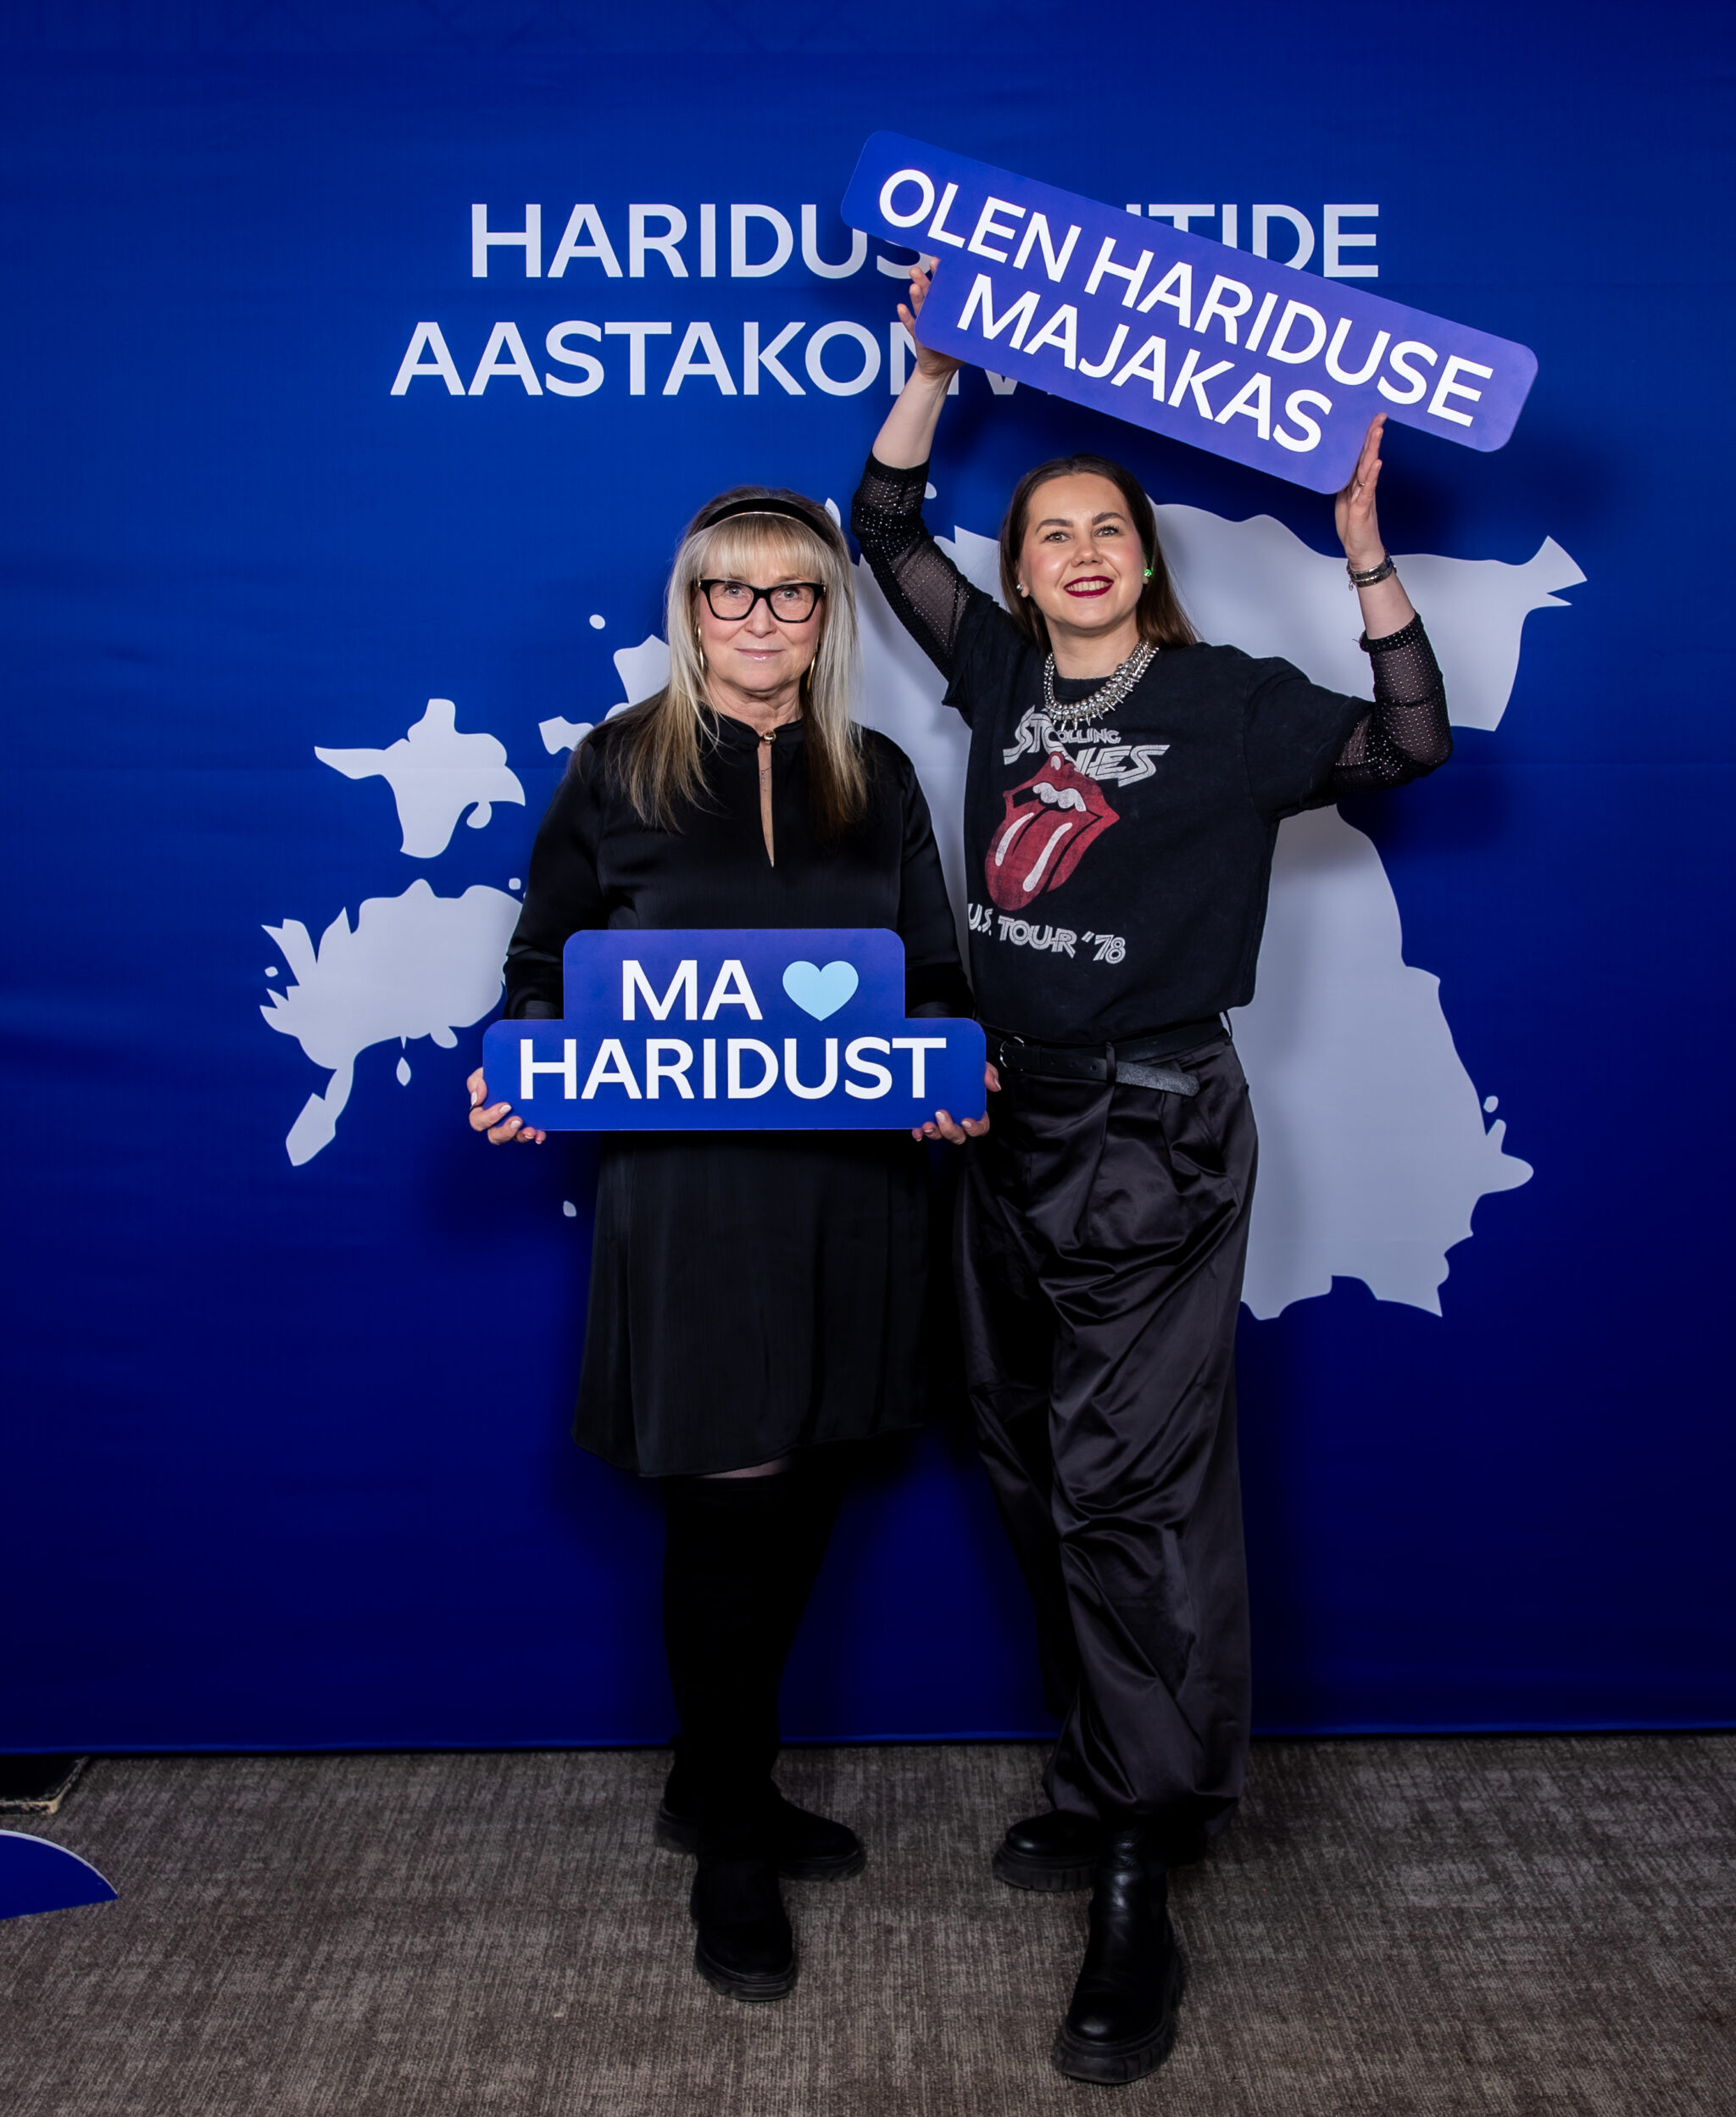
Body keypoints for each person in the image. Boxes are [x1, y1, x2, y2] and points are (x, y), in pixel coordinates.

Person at [854, 265, 1453, 2084]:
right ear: (1026, 572)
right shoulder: (994, 668)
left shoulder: (1225, 701)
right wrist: (928, 374)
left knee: (1127, 1485)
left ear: (1143, 559)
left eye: (1106, 527)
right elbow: (885, 526)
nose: (1081, 551)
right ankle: (1116, 1773)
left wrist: (1364, 551)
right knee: (1025, 1455)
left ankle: (1138, 1859)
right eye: (1051, 533)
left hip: (1152, 1128)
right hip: (1001, 1121)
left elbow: (1408, 741)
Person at [465, 485, 986, 2005]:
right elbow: (544, 958)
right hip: (692, 1195)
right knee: (729, 1506)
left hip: (852, 1190)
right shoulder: (615, 764)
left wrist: (950, 1065)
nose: (761, 619)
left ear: (825, 619)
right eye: (730, 593)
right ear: (692, 611)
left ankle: (712, 1779)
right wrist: (528, 1058)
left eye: (793, 593)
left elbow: (937, 972)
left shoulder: (877, 774)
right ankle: (735, 1837)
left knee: (809, 1475)